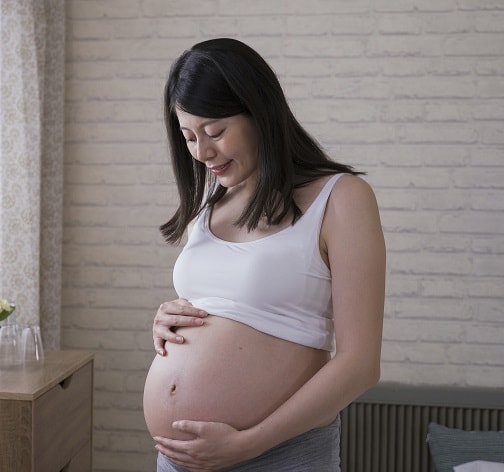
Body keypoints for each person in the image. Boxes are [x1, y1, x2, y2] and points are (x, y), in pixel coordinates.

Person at [142, 38, 386, 471]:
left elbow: (360, 364)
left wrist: (247, 444)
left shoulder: (342, 198)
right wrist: (167, 320)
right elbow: (228, 309)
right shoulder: (214, 199)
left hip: (278, 455)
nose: (202, 152)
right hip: (179, 459)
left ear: (260, 112)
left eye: (215, 132)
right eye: (189, 137)